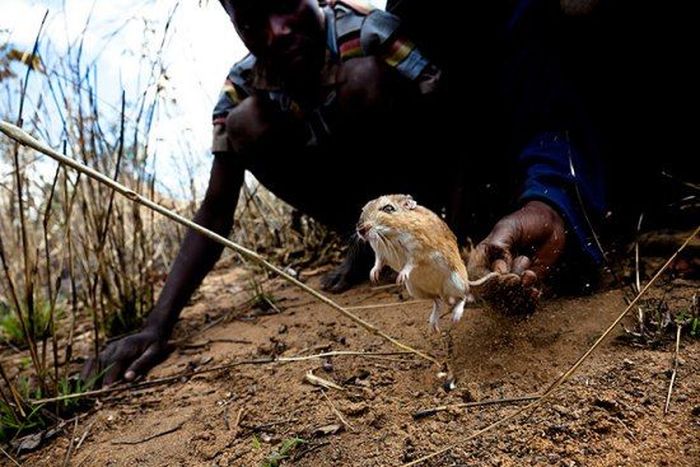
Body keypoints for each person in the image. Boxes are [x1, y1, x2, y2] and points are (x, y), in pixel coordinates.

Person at [82, 0, 608, 386]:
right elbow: (215, 209)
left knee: (363, 79)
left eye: (283, 4)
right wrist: (157, 324)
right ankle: (361, 246)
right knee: (247, 124)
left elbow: (450, 109)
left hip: (422, 192)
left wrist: (458, 219)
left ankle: (430, 229)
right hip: (360, 207)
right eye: (250, 22)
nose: (277, 30)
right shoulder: (241, 86)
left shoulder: (368, 30)